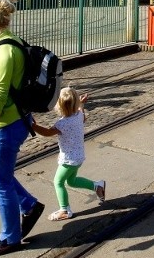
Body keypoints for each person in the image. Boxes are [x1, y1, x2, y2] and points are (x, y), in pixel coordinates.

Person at [0, 0, 45, 258]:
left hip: (3, 127)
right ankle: (28, 204)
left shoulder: (4, 51)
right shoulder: (3, 43)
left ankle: (10, 238)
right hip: (5, 124)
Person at [31, 87, 106, 221]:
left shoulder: (62, 123)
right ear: (76, 103)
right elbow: (82, 113)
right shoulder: (78, 116)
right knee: (71, 181)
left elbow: (47, 133)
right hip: (78, 157)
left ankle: (64, 209)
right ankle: (97, 186)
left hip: (69, 160)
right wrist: (82, 104)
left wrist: (33, 126)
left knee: (58, 182)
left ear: (58, 105)